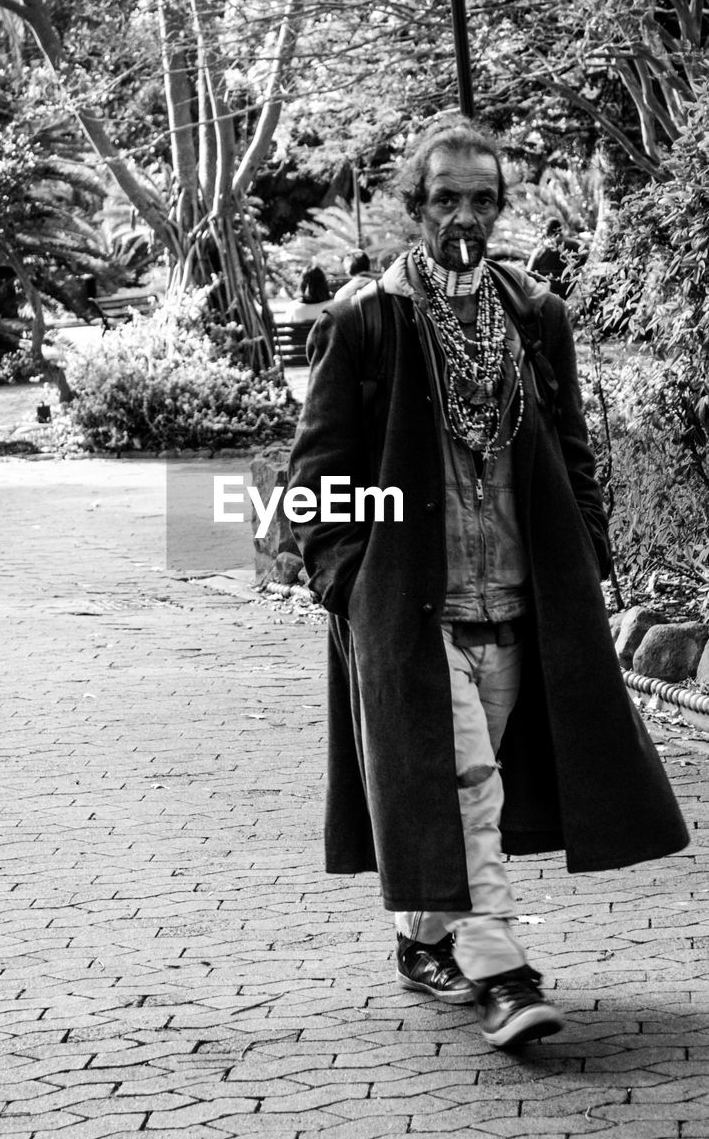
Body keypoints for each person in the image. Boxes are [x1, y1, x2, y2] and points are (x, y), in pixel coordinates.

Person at [288, 118, 688, 1050]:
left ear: (498, 207)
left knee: (473, 786)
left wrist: (586, 558)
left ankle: (421, 938)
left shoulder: (536, 316)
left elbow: (574, 454)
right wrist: (347, 579)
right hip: (412, 606)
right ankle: (502, 972)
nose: (463, 216)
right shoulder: (366, 322)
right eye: (444, 199)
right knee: (464, 777)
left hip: (518, 598)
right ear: (414, 209)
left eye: (481, 199)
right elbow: (317, 477)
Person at [527, 217, 588, 299]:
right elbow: (586, 264)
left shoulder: (540, 250)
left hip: (548, 293)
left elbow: (528, 274)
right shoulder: (576, 245)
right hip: (570, 291)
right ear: (560, 229)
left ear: (547, 231)